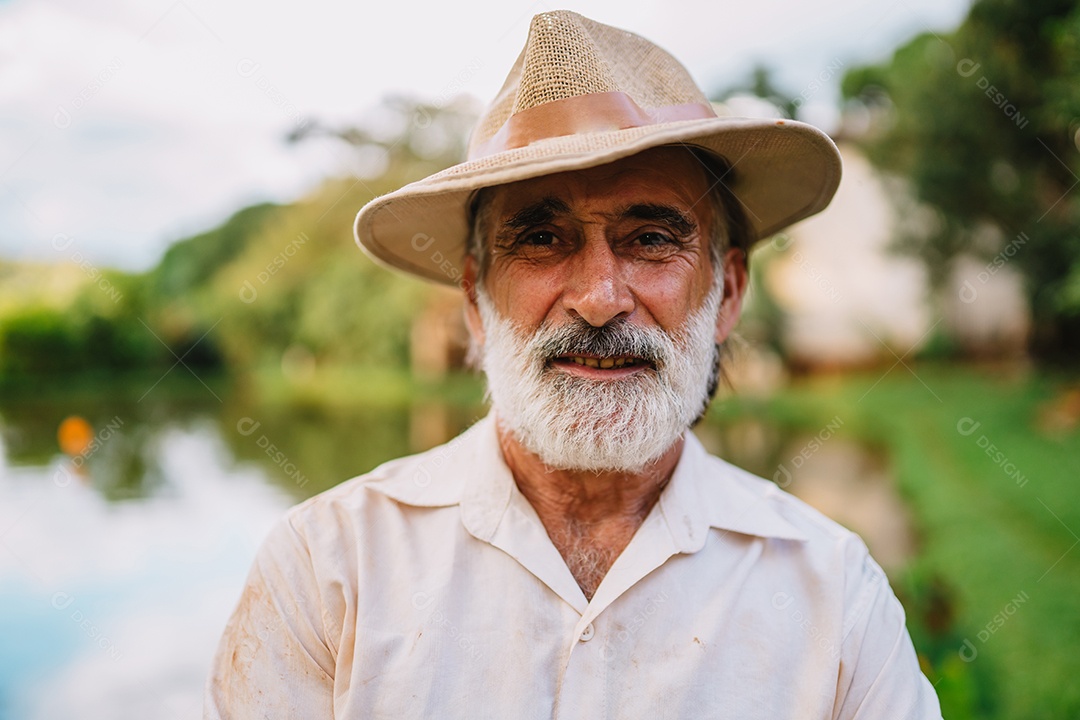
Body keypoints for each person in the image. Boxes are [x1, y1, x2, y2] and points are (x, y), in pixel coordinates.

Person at [205, 10, 942, 719]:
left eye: (651, 238)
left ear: (728, 293)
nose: (598, 299)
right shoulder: (328, 570)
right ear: (474, 298)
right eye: (541, 239)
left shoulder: (834, 592)